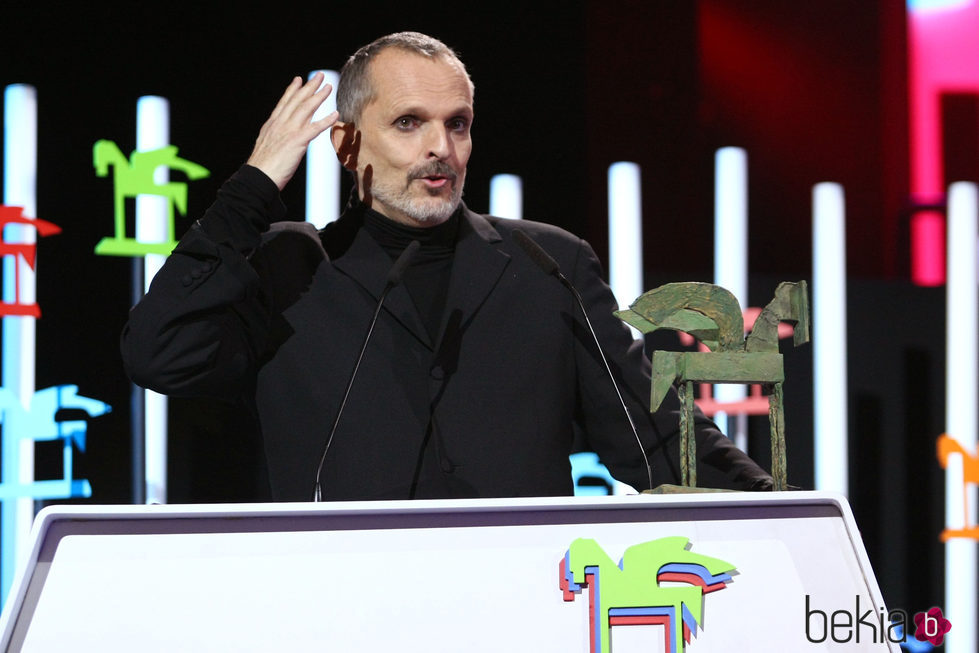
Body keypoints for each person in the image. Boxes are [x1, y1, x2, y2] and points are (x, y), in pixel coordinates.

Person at [122, 31, 772, 501]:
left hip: (518, 614)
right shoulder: (291, 266)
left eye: (456, 124)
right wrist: (253, 188)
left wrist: (795, 519)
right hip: (337, 614)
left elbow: (657, 443)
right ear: (346, 145)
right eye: (409, 123)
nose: (440, 147)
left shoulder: (548, 265)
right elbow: (160, 352)